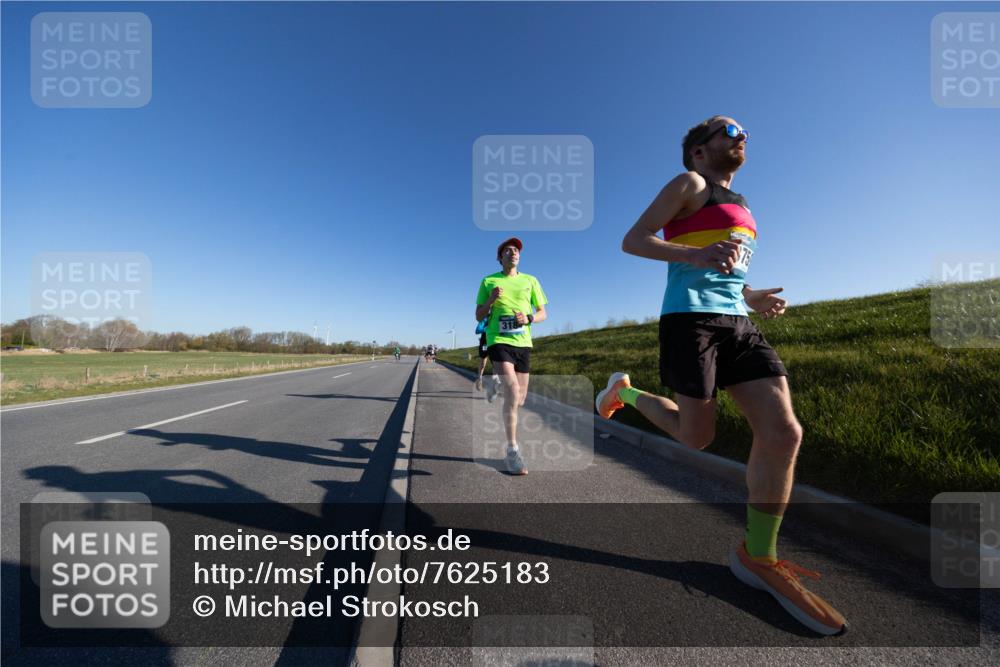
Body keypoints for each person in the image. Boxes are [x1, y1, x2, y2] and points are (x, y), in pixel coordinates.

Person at [598, 116, 846, 635]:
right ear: (698, 151)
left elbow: (726, 267)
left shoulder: (745, 207)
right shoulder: (690, 183)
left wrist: (751, 295)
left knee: (784, 432)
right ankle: (626, 391)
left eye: (744, 132)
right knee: (697, 437)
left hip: (738, 323)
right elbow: (633, 240)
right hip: (690, 321)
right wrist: (695, 253)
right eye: (729, 130)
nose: (741, 137)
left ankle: (759, 555)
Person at [476, 237, 547, 475]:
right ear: (500, 258)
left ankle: (496, 384)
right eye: (507, 250)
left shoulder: (531, 280)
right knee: (513, 391)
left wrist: (528, 318)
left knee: (520, 399)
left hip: (523, 342)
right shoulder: (488, 281)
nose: (513, 253)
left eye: (516, 250)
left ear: (519, 256)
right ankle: (512, 450)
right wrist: (491, 299)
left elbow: (543, 313)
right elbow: (478, 315)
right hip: (498, 339)